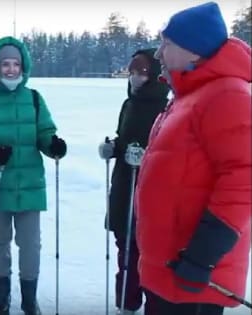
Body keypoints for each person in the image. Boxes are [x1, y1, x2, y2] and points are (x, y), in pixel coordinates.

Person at [135, 2, 251, 315]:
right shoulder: (188, 97)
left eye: (167, 44)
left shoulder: (226, 95)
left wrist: (203, 255)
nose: (158, 53)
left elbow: (244, 177)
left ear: (195, 52)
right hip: (169, 267)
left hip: (194, 273)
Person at [0, 36, 67, 315]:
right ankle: (3, 296)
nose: (10, 69)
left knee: (30, 245)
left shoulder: (34, 98)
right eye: (5, 64)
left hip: (29, 186)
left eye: (15, 64)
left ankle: (29, 299)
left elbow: (45, 132)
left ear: (23, 67)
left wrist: (52, 144)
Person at [99, 48, 170, 315]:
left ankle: (153, 303)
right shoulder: (129, 104)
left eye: (140, 73)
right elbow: (124, 136)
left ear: (152, 74)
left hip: (151, 189)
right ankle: (126, 303)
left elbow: (168, 149)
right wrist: (114, 147)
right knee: (125, 248)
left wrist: (145, 155)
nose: (134, 78)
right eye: (131, 73)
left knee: (149, 251)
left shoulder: (165, 106)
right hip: (124, 185)